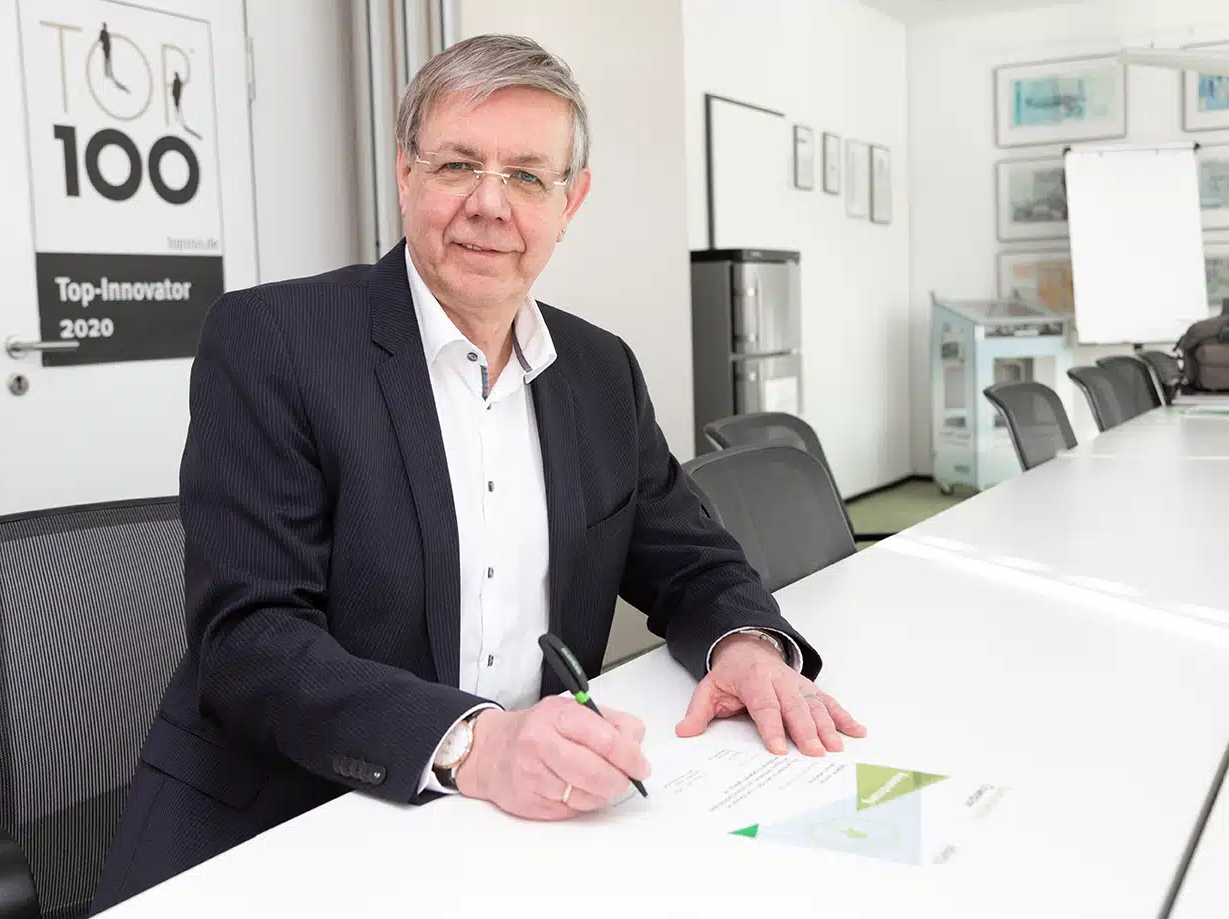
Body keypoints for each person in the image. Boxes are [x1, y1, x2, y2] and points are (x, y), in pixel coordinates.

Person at [90, 33, 863, 913]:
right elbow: (251, 640)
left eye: (528, 176)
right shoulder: (275, 343)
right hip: (296, 822)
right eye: (458, 165)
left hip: (516, 835)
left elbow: (692, 559)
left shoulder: (600, 370)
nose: (490, 205)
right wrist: (476, 745)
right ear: (405, 174)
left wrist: (747, 645)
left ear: (571, 201)